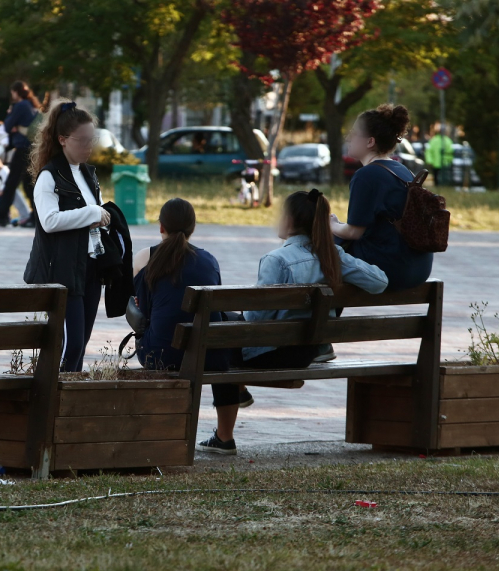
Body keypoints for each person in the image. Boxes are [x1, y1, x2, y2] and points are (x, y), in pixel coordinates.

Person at [195, 189, 389, 454]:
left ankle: (224, 437)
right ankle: (236, 396)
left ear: (289, 220)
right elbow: (380, 282)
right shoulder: (333, 255)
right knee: (225, 326)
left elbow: (253, 323)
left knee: (218, 335)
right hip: (306, 351)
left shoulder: (276, 260)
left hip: (271, 354)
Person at [132, 197, 255, 429]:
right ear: (193, 228)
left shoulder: (144, 258)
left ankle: (167, 431)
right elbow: (213, 309)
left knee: (206, 335)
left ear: (161, 227)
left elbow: (145, 313)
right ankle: (225, 438)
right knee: (218, 337)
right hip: (207, 355)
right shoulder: (209, 261)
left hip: (160, 353)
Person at [23, 99, 112, 372]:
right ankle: (53, 396)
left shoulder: (87, 174)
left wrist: (103, 222)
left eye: (92, 139)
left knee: (81, 344)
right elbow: (49, 222)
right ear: (62, 139)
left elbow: (89, 217)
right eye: (82, 140)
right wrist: (93, 213)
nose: (89, 146)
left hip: (90, 267)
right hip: (62, 270)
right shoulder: (48, 177)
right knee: (70, 344)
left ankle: (66, 397)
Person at [332, 104, 434, 292]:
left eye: (354, 133)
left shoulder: (367, 175)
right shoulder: (401, 170)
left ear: (370, 142)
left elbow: (354, 233)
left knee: (312, 244)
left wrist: (329, 223)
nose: (348, 137)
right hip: (418, 269)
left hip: (388, 271)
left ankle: (318, 317)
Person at [0, 81, 42, 228]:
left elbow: (7, 126)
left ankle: (2, 216)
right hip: (31, 149)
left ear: (16, 92)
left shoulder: (21, 105)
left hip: (23, 148)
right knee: (29, 184)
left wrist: (11, 117)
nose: (12, 95)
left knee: (11, 183)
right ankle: (36, 217)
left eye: (12, 93)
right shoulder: (31, 105)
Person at [0, 156, 30, 227]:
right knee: (2, 202)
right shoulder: (0, 170)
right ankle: (5, 217)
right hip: (4, 190)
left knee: (18, 202)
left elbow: (6, 182)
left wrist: (2, 190)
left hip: (9, 190)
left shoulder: (4, 171)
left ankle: (25, 216)